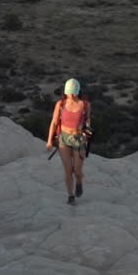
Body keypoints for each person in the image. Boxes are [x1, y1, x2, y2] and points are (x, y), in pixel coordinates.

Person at [46, 77, 91, 205]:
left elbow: (88, 120)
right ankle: (71, 196)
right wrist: (49, 141)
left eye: (73, 93)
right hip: (64, 140)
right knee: (68, 170)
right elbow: (54, 122)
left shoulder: (85, 105)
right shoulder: (60, 104)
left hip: (79, 140)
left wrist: (87, 131)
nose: (70, 95)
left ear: (77, 92)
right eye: (69, 93)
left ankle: (79, 182)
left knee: (77, 170)